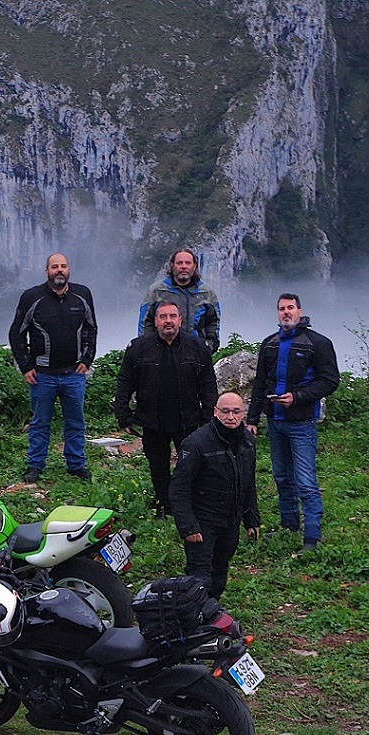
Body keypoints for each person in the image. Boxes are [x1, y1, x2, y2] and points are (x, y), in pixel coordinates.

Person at [245, 293, 340, 554]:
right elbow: (260, 384)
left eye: (290, 308)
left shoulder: (317, 343)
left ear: (300, 311)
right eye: (281, 309)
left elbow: (330, 381)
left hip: (301, 422)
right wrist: (252, 419)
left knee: (305, 480)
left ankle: (312, 536)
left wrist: (297, 397)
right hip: (274, 421)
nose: (286, 313)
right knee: (281, 476)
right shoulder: (270, 344)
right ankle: (289, 526)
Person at [114, 302, 218, 516]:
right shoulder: (138, 348)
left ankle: (188, 504)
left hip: (189, 421)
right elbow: (125, 382)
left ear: (180, 320)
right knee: (158, 467)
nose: (168, 321)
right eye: (163, 316)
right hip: (152, 421)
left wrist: (208, 418)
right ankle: (165, 504)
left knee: (190, 465)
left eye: (172, 316)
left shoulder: (197, 348)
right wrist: (123, 415)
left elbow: (208, 385)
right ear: (155, 321)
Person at [8, 252, 98, 483]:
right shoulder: (32, 297)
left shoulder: (82, 295)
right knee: (39, 423)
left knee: (76, 421)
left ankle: (76, 464)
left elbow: (91, 328)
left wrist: (87, 360)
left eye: (64, 266)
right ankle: (35, 465)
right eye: (54, 266)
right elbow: (16, 333)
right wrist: (26, 366)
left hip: (73, 374)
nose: (60, 270)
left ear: (69, 270)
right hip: (42, 375)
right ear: (46, 271)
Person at [169, 392, 260, 598]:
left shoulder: (247, 441)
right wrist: (188, 527)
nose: (230, 417)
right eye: (225, 411)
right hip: (203, 522)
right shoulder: (196, 444)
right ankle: (196, 618)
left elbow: (249, 483)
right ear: (215, 412)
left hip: (230, 520)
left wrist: (251, 518)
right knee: (200, 577)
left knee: (220, 571)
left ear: (243, 413)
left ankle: (212, 613)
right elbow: (178, 489)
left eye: (236, 412)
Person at [138, 248, 221, 354]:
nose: (183, 266)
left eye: (188, 263)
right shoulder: (157, 291)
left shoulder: (207, 293)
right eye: (179, 263)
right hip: (163, 352)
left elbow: (213, 321)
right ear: (172, 266)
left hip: (196, 352)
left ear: (194, 266)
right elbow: (146, 322)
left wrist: (208, 347)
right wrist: (149, 348)